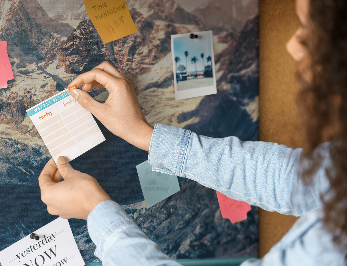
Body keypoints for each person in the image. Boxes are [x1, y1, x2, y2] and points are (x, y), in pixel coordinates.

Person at [38, 0, 347, 264]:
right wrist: (143, 134)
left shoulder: (330, 248)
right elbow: (293, 178)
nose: (293, 46)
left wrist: (96, 211)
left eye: (313, 31)